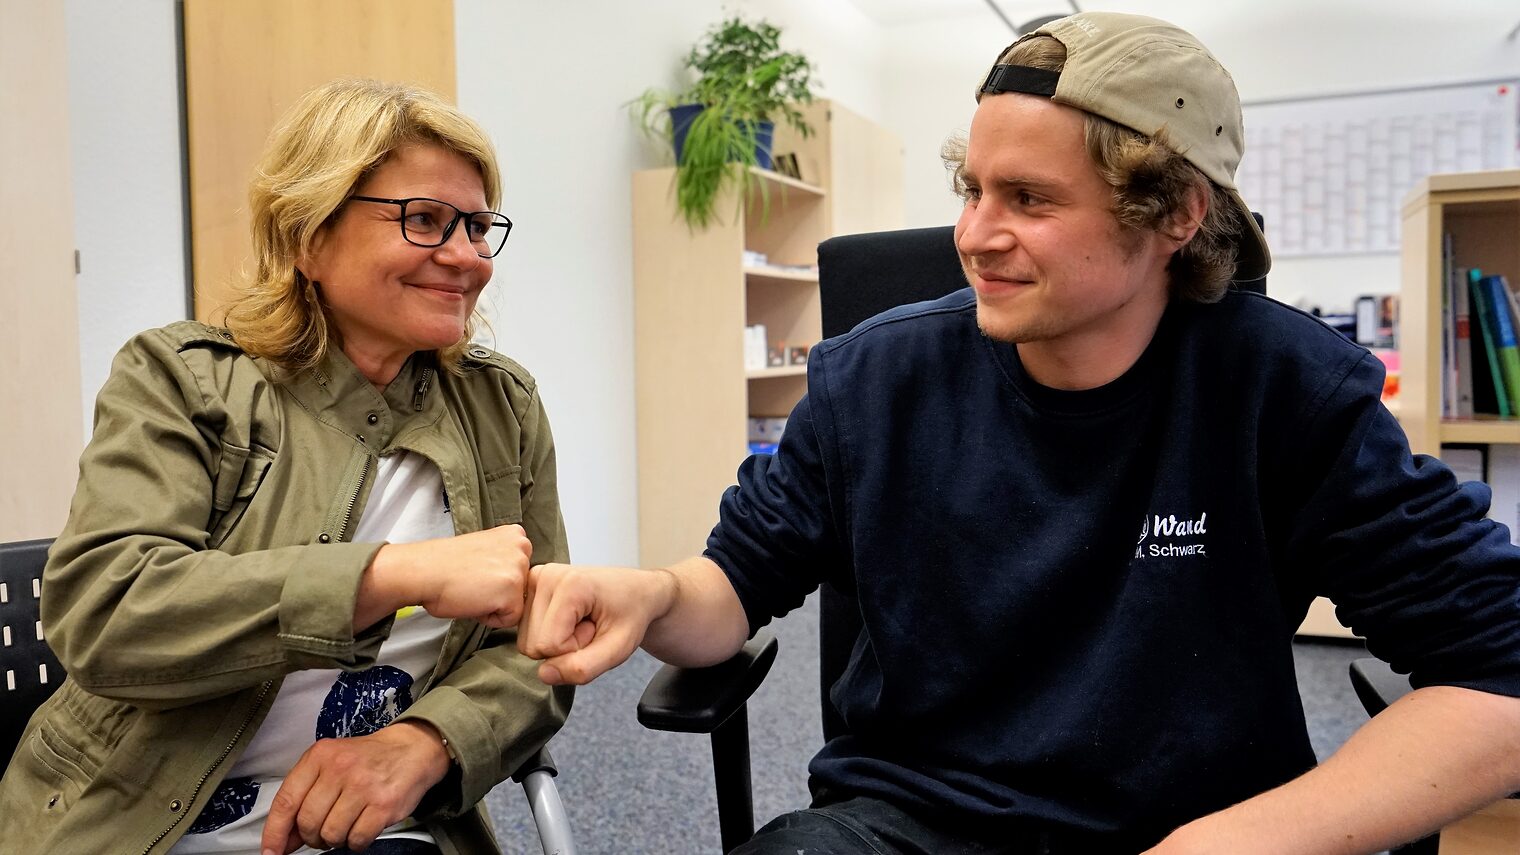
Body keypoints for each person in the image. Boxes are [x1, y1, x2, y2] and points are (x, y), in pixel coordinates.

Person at [518, 12, 1520, 855]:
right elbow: (729, 590)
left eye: (1029, 200)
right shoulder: (875, 378)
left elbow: (1496, 673)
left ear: (1173, 212)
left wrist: (1234, 843)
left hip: (1201, 827)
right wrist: (647, 594)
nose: (973, 235)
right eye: (971, 189)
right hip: (915, 823)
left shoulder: (1282, 389)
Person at [0, 79, 571, 855]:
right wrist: (392, 575)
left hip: (380, 826)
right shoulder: (182, 380)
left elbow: (538, 647)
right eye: (426, 220)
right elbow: (106, 612)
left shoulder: (503, 408)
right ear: (308, 236)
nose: (467, 257)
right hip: (141, 822)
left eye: (476, 226)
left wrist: (428, 742)